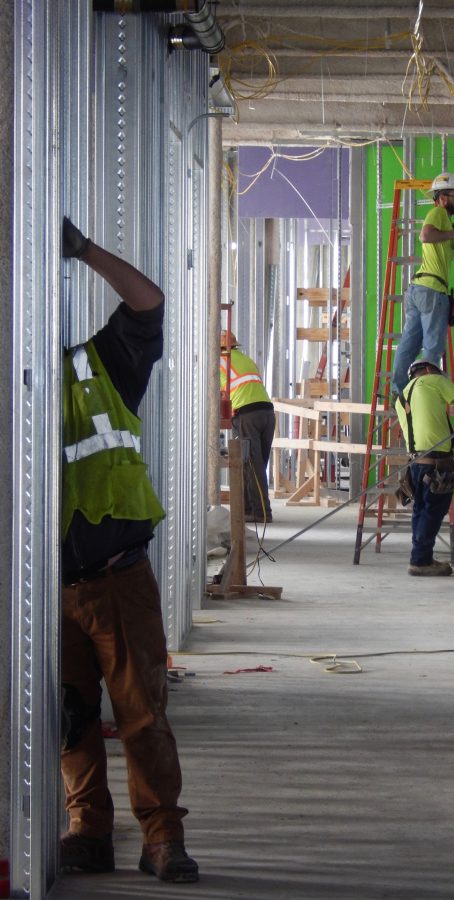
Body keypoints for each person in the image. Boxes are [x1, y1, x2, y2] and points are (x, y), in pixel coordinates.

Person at [60, 217, 198, 883]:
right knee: (70, 716)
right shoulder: (18, 383)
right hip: (47, 585)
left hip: (119, 576)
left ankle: (162, 836)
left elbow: (149, 303)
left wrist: (84, 250)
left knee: (141, 712)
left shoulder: (99, 365)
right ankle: (86, 825)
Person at [392, 172, 454, 394]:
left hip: (419, 290)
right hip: (432, 291)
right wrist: (453, 232)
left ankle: (399, 392)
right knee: (433, 348)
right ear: (443, 197)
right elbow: (425, 236)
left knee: (409, 345)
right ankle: (426, 395)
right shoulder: (437, 212)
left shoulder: (444, 223)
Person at [395, 358, 454, 577]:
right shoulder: (434, 380)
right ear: (430, 370)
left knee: (421, 511)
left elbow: (435, 432)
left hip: (416, 465)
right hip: (436, 464)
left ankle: (421, 557)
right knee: (433, 511)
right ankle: (420, 561)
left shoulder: (402, 396)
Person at [220, 331, 275, 524]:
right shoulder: (245, 359)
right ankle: (248, 510)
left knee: (251, 465)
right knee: (255, 465)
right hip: (267, 413)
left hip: (247, 414)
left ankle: (262, 513)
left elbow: (214, 393)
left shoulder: (220, 361)